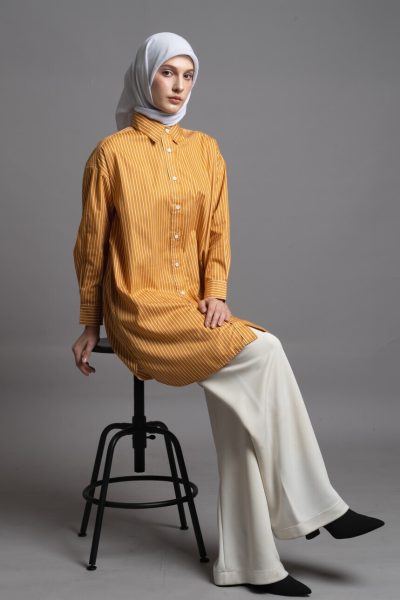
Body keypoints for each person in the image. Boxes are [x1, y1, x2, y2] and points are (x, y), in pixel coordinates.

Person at [71, 32, 385, 596]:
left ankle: (252, 565)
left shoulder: (206, 150)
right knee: (265, 348)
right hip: (139, 311)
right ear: (144, 75)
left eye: (188, 76)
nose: (179, 86)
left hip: (192, 310)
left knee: (242, 411)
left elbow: (218, 232)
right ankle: (317, 506)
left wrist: (216, 291)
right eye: (168, 73)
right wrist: (89, 324)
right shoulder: (111, 154)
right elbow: (91, 247)